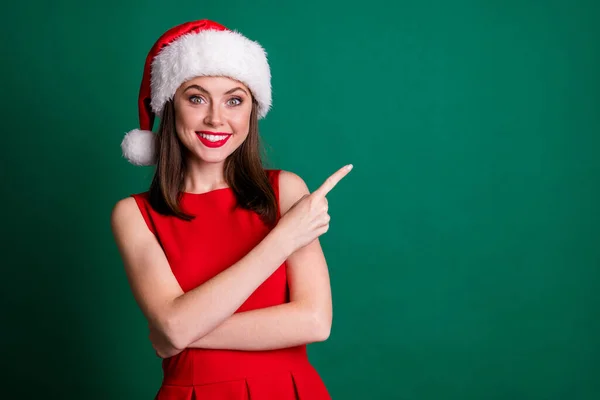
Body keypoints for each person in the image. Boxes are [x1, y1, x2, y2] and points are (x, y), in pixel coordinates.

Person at [110, 19, 353, 399]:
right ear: (171, 107)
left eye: (234, 100)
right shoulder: (134, 214)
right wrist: (283, 239)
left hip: (288, 390)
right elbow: (172, 329)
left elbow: (315, 321)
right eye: (196, 98)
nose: (216, 118)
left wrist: (182, 328)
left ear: (251, 111)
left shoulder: (285, 190)